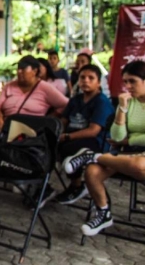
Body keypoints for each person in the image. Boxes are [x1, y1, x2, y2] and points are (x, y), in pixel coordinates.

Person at [63, 61, 145, 236]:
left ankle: (93, 155)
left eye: (132, 81)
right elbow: (117, 137)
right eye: (125, 81)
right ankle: (103, 213)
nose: (127, 86)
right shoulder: (128, 101)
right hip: (124, 154)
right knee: (91, 172)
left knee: (139, 165)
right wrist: (122, 110)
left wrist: (128, 141)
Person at [55, 64, 114, 205]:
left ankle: (77, 185)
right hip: (71, 138)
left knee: (66, 148)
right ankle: (41, 187)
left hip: (95, 142)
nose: (85, 81)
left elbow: (93, 131)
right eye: (82, 77)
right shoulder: (76, 99)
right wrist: (57, 132)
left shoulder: (101, 102)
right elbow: (63, 120)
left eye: (91, 78)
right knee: (48, 145)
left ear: (98, 82)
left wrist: (67, 137)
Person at [0, 55, 69, 133]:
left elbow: (66, 104)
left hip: (31, 132)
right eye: (18, 68)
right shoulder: (9, 86)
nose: (19, 71)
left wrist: (48, 119)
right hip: (6, 128)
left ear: (34, 71)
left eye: (23, 69)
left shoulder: (45, 88)